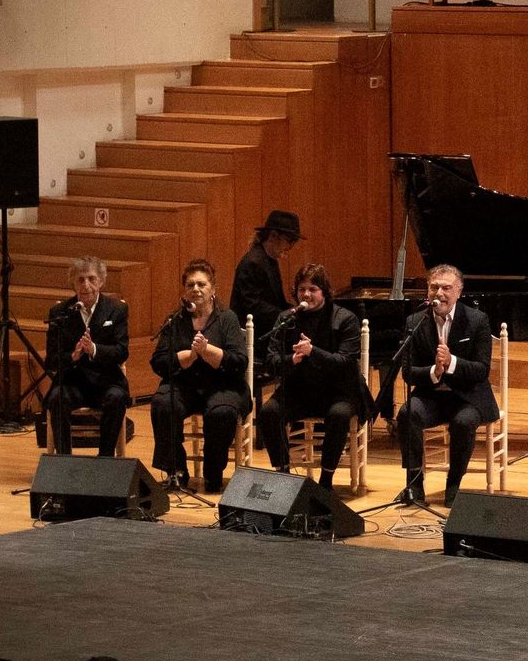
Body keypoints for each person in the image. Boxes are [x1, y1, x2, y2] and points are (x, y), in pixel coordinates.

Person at [256, 264, 372, 490]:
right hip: (298, 389)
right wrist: (291, 359)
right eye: (302, 289)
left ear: (324, 291)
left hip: (338, 391)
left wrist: (313, 352)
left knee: (339, 415)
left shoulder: (345, 318)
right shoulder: (286, 319)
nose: (306, 294)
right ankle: (283, 475)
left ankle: (326, 481)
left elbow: (346, 363)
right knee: (269, 412)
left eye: (313, 289)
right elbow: (270, 361)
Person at [396, 264, 498, 507]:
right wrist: (435, 371)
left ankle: (453, 485)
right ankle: (414, 485)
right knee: (407, 413)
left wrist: (451, 362)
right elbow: (408, 372)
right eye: (434, 287)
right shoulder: (415, 321)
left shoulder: (477, 320)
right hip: (432, 396)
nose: (439, 293)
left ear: (459, 292)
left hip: (467, 397)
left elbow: (481, 370)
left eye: (446, 288)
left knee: (463, 422)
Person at [151, 259, 251, 494]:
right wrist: (188, 356)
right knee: (163, 403)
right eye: (190, 285)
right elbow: (158, 362)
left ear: (213, 288)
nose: (195, 289)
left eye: (201, 284)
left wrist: (208, 351)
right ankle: (176, 471)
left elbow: (239, 362)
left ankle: (213, 474)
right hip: (186, 385)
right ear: (184, 290)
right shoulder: (176, 320)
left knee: (221, 412)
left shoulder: (227, 318)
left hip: (223, 385)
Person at [44, 256, 129, 457]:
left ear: (101, 281)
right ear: (73, 283)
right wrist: (72, 356)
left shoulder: (116, 309)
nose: (86, 285)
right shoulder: (60, 312)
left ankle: (105, 458)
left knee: (116, 398)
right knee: (57, 398)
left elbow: (121, 351)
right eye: (80, 280)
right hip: (73, 382)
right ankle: (64, 459)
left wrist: (94, 349)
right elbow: (51, 360)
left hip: (107, 381)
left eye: (91, 279)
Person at [231, 209, 301, 359]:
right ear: (273, 236)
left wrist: (294, 311)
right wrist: (287, 314)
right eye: (290, 240)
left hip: (262, 335)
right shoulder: (253, 262)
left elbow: (275, 302)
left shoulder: (268, 260)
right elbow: (252, 306)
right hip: (253, 340)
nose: (291, 247)